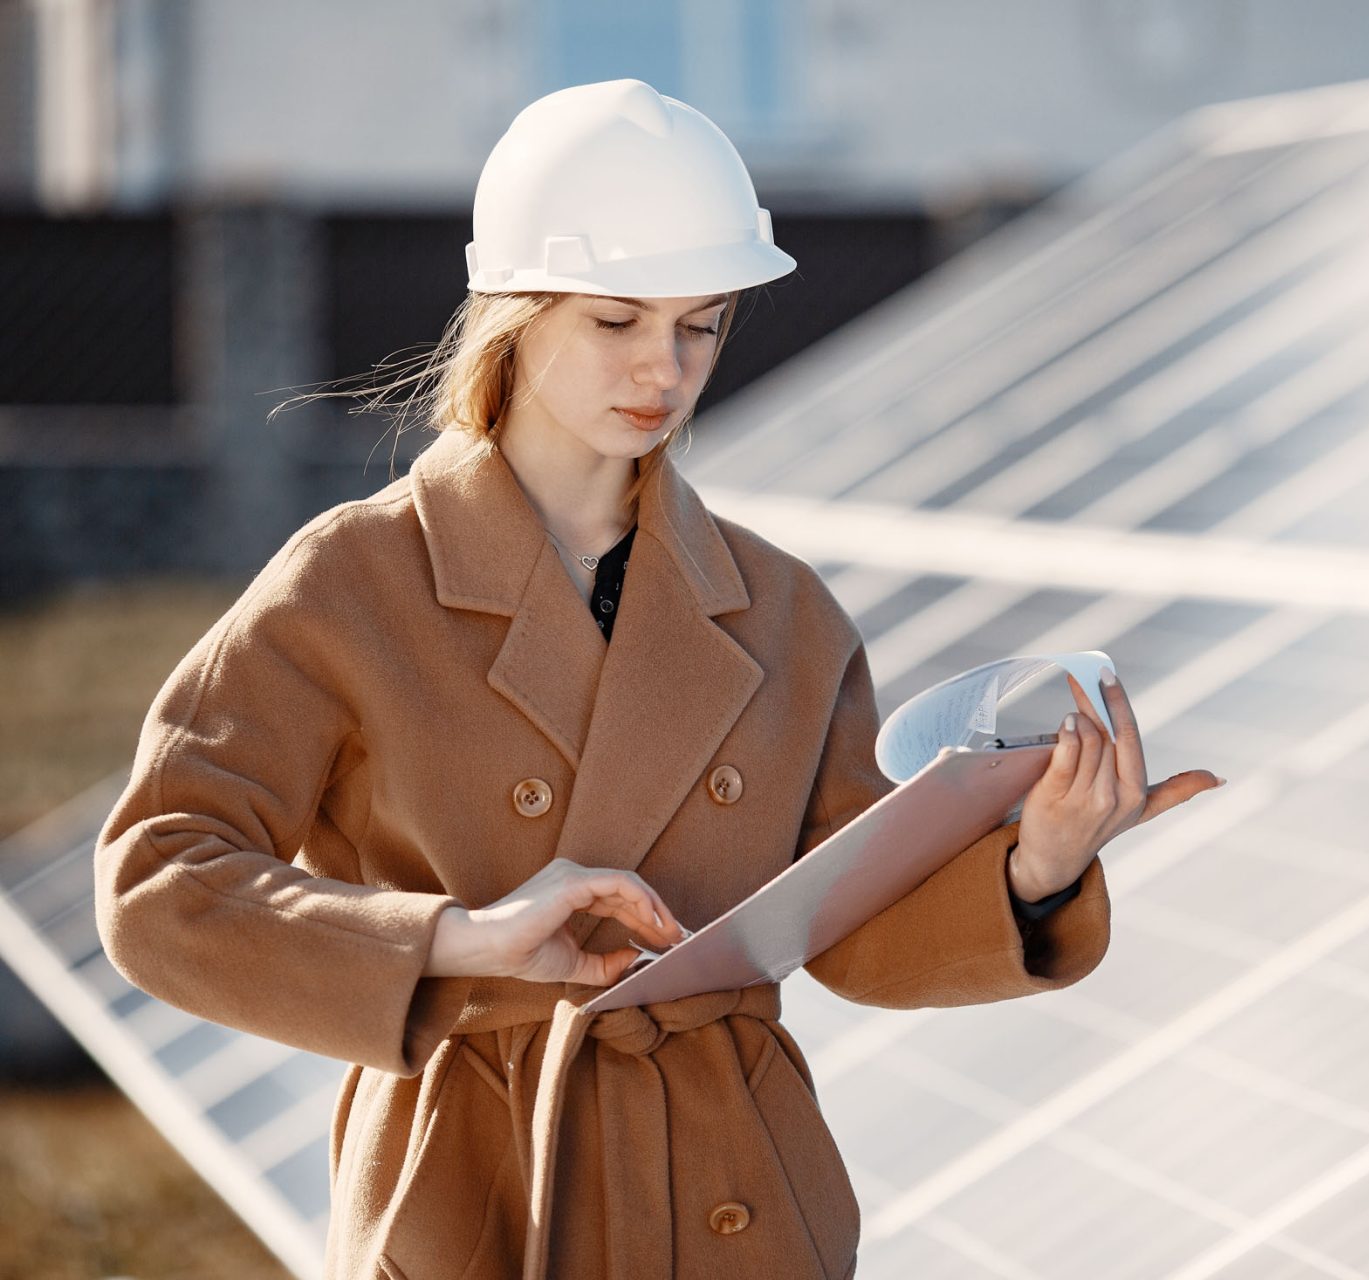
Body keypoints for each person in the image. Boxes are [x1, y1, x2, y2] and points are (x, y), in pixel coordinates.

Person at [93, 79, 1224, 1280]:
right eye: (617, 319)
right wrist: (460, 940)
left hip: (737, 1189)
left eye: (700, 323)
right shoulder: (351, 581)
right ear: (515, 310)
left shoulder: (781, 605)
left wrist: (1036, 866)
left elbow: (845, 923)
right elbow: (161, 877)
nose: (666, 368)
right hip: (486, 1189)